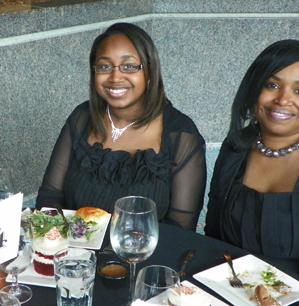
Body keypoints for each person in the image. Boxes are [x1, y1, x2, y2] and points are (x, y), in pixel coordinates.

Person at [205, 39, 299, 302]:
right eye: (272, 85)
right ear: (254, 90)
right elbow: (215, 238)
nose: (283, 99)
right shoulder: (236, 146)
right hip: (236, 295)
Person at [36, 22, 206, 230]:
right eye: (105, 66)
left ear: (150, 71)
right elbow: (50, 196)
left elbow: (181, 228)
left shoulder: (181, 136)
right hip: (76, 256)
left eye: (129, 66)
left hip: (143, 257)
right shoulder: (81, 118)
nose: (115, 77)